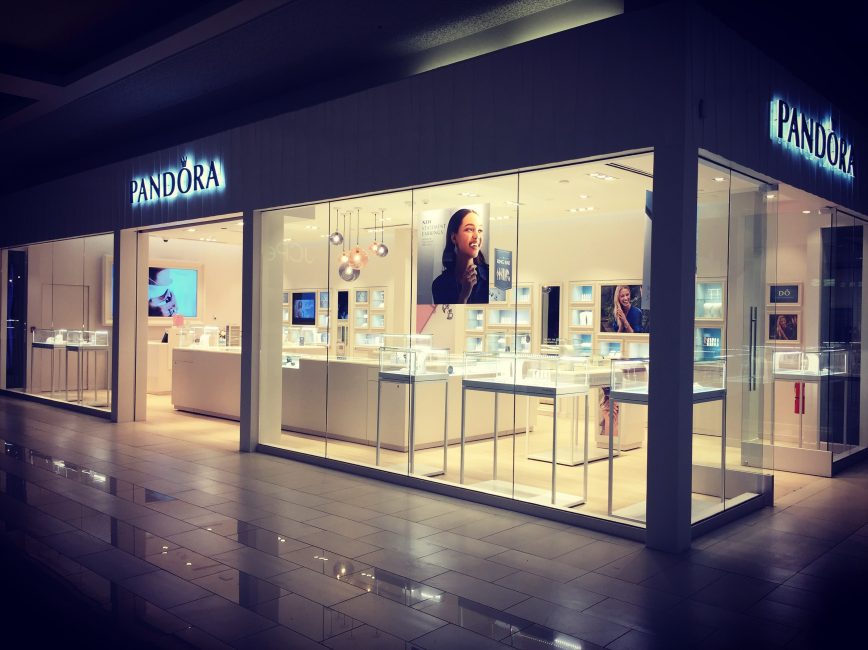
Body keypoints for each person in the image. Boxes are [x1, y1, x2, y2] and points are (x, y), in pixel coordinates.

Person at [431, 208, 489, 304]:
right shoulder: (440, 284)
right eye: (469, 229)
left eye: (480, 230)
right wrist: (463, 296)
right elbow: (447, 314)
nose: (476, 236)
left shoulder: (490, 276)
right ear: (454, 238)